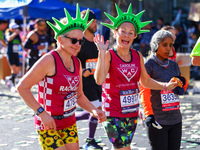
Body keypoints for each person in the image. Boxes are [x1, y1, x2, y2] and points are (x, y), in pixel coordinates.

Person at [16, 4, 106, 150]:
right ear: (60, 39)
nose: (77, 45)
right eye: (73, 40)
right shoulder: (49, 60)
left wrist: (93, 110)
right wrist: (41, 113)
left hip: (69, 122)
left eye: (80, 41)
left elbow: (80, 96)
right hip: (48, 123)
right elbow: (22, 87)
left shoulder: (76, 62)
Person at [94, 3, 178, 150]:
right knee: (122, 148)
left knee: (126, 147)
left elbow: (145, 81)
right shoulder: (109, 55)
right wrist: (101, 54)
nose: (126, 35)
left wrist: (165, 86)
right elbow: (99, 80)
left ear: (135, 36)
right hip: (113, 112)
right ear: (115, 32)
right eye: (123, 31)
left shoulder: (137, 55)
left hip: (131, 112)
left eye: (130, 32)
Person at [140, 30, 187, 150]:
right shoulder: (148, 65)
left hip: (175, 119)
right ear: (155, 45)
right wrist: (149, 114)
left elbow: (179, 90)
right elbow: (144, 90)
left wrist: (183, 83)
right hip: (158, 120)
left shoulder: (173, 65)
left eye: (170, 45)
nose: (168, 48)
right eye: (164, 45)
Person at [75, 10, 103, 150]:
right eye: (92, 21)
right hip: (85, 84)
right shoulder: (79, 42)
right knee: (97, 109)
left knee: (97, 110)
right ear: (85, 23)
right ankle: (90, 141)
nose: (95, 24)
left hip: (98, 82)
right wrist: (81, 71)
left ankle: (69, 119)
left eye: (96, 21)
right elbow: (70, 62)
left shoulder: (98, 40)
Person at [5, 22, 24, 91]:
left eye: (16, 28)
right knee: (14, 69)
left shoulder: (17, 36)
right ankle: (13, 84)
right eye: (14, 28)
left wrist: (25, 49)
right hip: (10, 53)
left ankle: (9, 79)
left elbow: (21, 43)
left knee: (17, 70)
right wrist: (15, 33)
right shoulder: (9, 33)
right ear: (11, 29)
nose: (16, 29)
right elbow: (9, 39)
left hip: (16, 53)